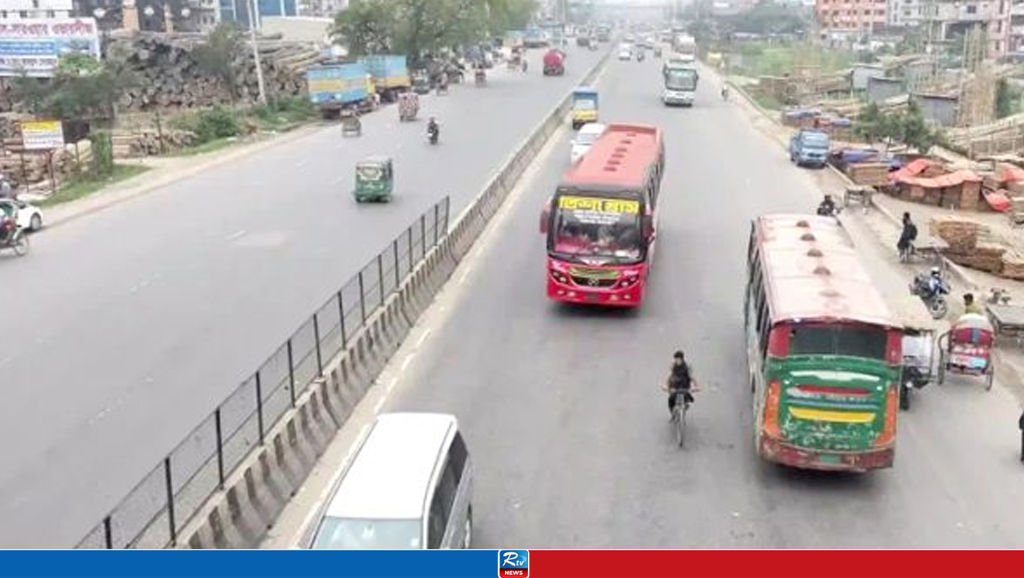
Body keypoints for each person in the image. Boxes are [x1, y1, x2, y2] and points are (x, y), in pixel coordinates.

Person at [662, 350, 697, 419]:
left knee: (686, 397)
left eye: (678, 359)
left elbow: (692, 377)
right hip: (674, 387)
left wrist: (696, 386)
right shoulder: (673, 366)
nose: (677, 361)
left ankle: (685, 405)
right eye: (676, 359)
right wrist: (665, 385)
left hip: (684, 387)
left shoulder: (687, 367)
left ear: (682, 359)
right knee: (670, 400)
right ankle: (673, 414)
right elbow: (669, 376)